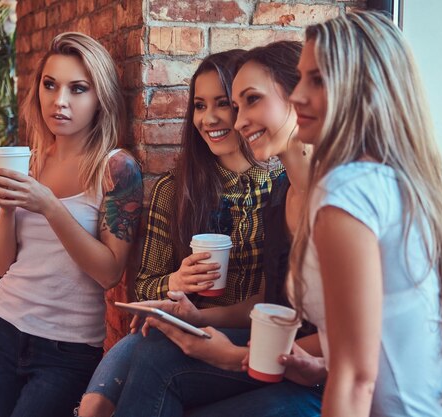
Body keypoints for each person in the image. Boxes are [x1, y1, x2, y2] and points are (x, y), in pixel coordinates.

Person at [107, 41, 323, 417]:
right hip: (241, 334)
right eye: (200, 106)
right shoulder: (179, 190)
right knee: (145, 349)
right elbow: (266, 300)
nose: (217, 119)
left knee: (153, 356)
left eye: (230, 103)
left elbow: (358, 347)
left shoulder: (284, 187)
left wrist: (231, 352)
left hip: (288, 353)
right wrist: (178, 284)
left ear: (298, 99)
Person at [286, 11, 442, 417]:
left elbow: (358, 378)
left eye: (318, 79)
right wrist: (323, 365)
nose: (296, 95)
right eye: (301, 76)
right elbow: (388, 337)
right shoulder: (395, 180)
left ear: (366, 90)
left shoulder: (347, 191)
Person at [0, 32, 143, 417]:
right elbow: (1, 266)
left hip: (66, 350)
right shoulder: (31, 160)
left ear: (99, 97)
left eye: (78, 89)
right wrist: (7, 209)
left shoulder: (117, 169)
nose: (59, 101)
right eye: (50, 84)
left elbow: (109, 272)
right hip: (3, 327)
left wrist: (50, 206)